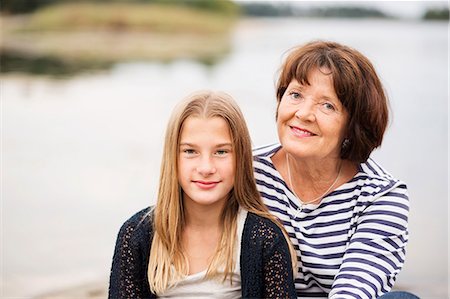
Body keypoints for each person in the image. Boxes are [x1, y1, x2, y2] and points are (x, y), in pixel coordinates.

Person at [253, 41, 414, 298]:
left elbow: (354, 290)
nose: (303, 113)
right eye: (295, 95)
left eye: (327, 105)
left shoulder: (380, 197)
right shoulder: (248, 172)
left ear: (353, 126)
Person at [108, 90, 297, 298]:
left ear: (241, 158)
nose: (206, 168)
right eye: (190, 151)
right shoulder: (136, 234)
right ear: (173, 158)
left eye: (221, 151)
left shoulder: (264, 239)